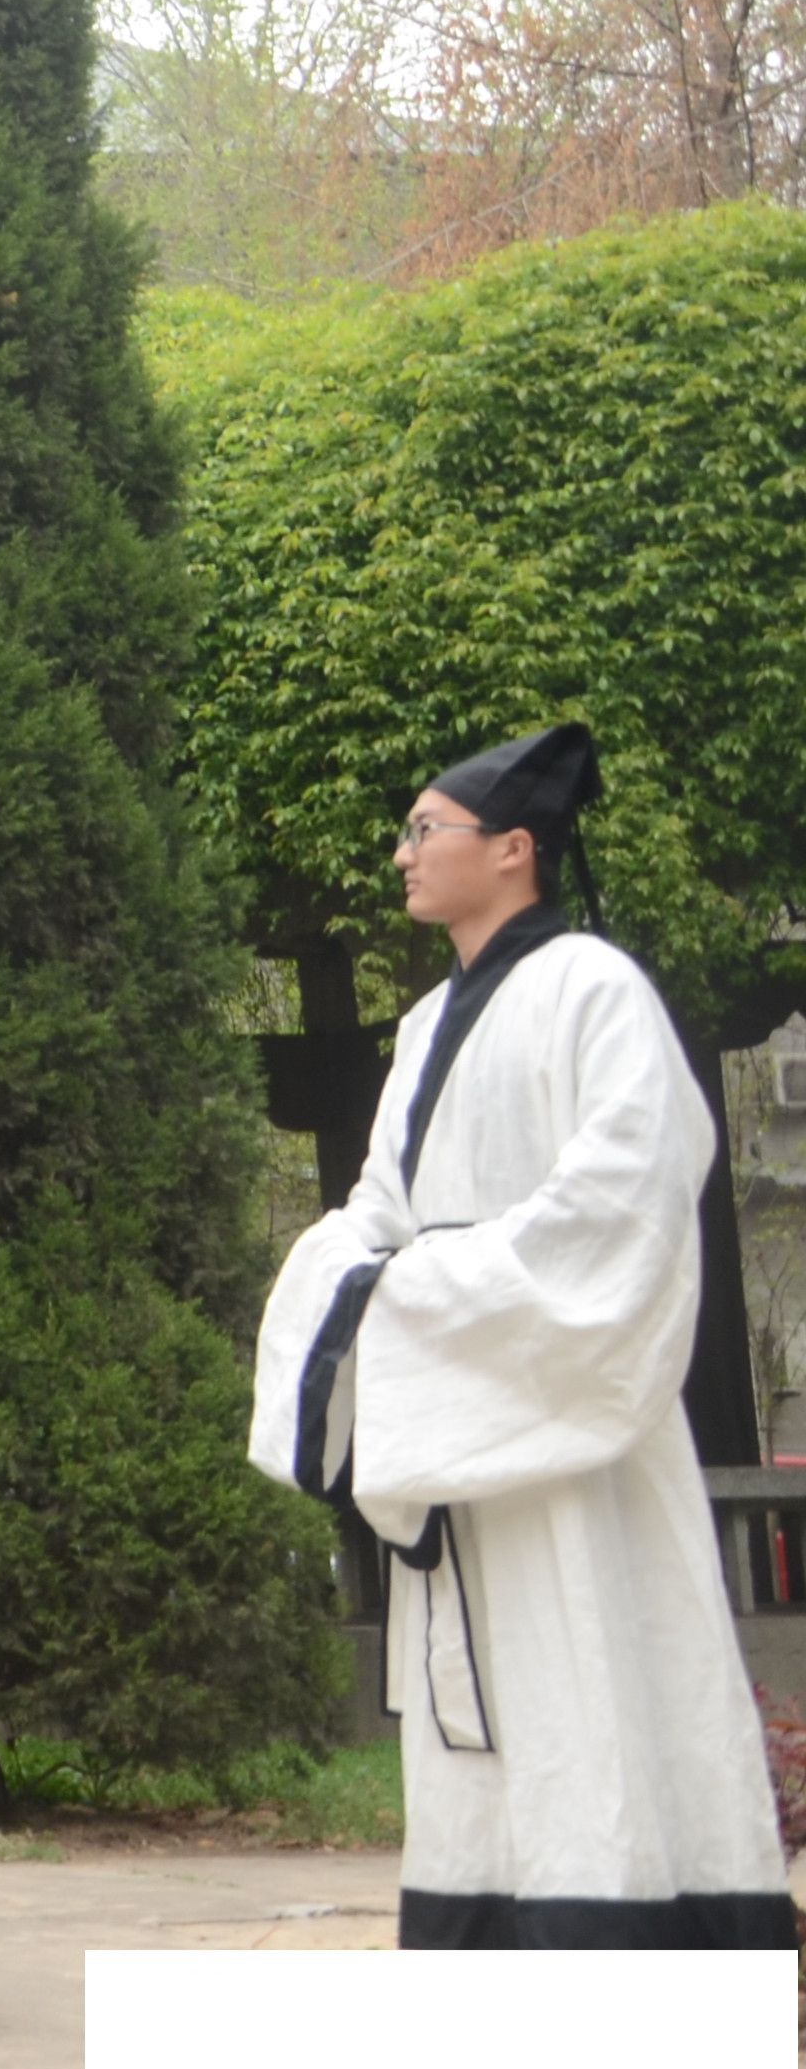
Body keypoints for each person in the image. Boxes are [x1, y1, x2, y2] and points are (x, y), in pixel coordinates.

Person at [251, 725, 787, 1948]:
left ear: (511, 850)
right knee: (479, 1750)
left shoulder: (594, 988)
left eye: (421, 830)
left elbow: (623, 1198)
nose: (400, 854)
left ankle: (622, 1961)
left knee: (594, 1690)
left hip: (574, 1432)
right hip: (462, 1430)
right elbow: (372, 1216)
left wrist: (422, 1294)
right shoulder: (420, 1027)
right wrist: (363, 1288)